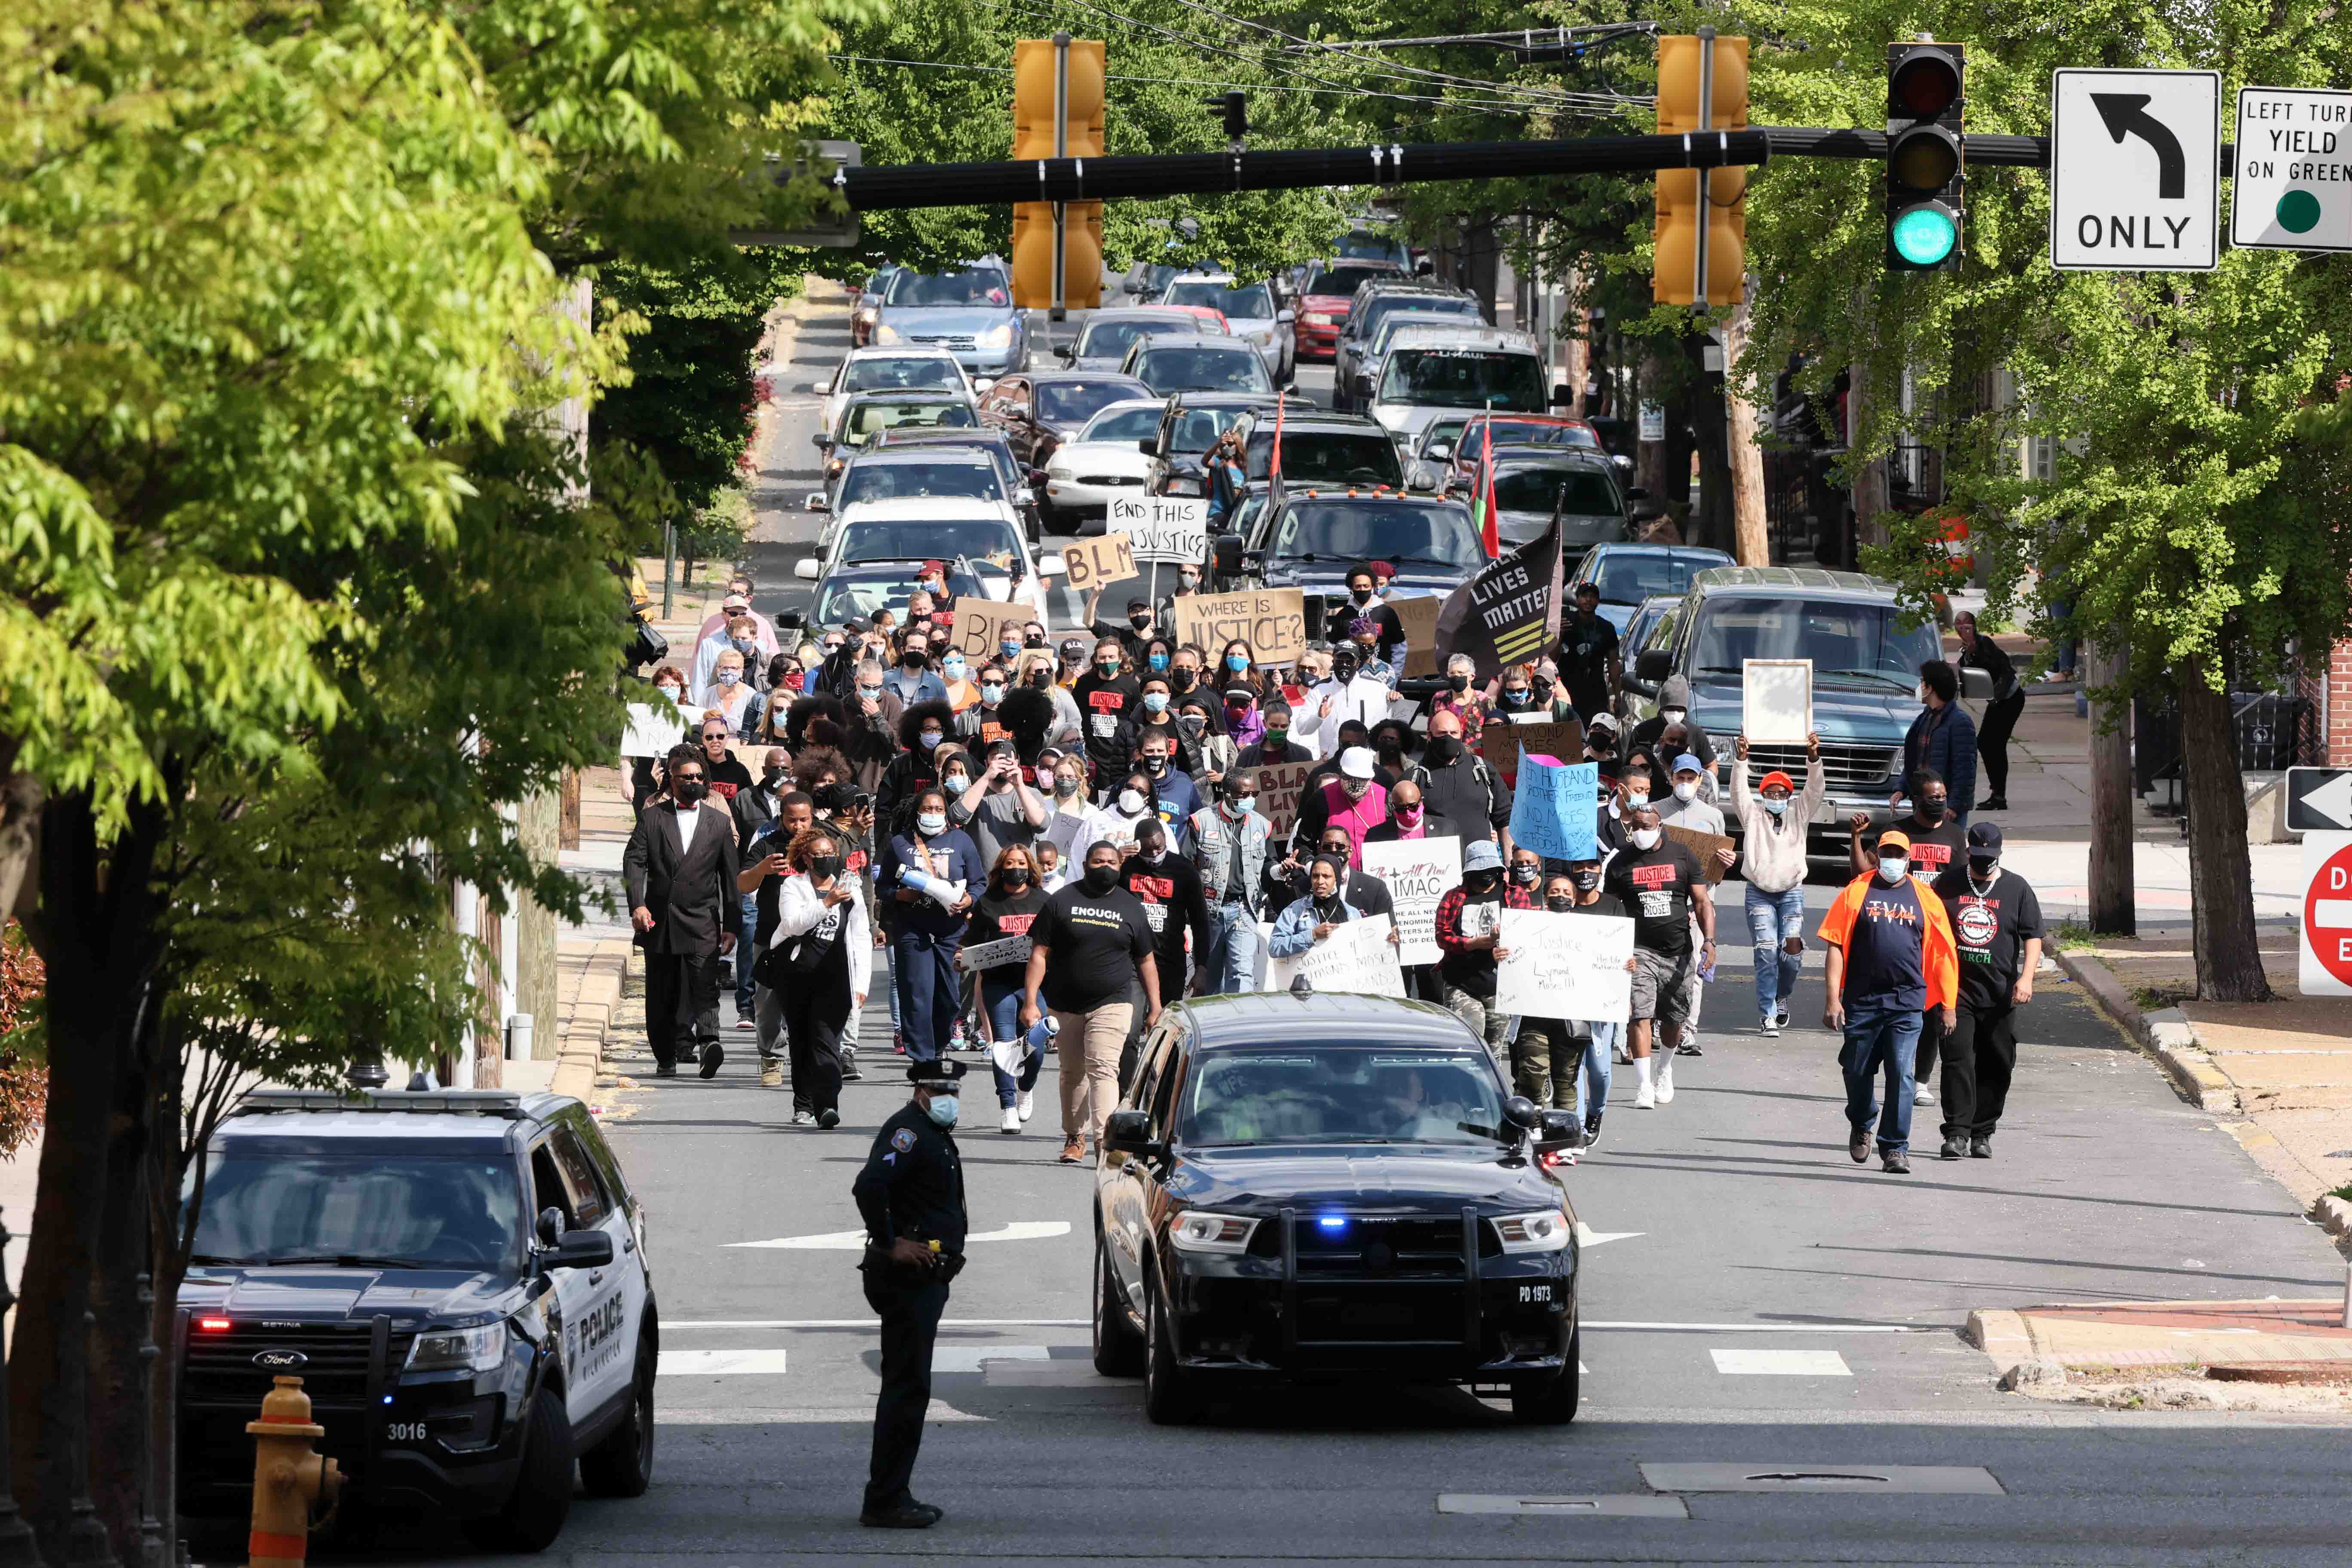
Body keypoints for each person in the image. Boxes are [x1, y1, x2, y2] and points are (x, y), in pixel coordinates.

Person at [852, 1058, 968, 1531]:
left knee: (909, 1384)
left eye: (954, 1090)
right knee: (906, 1386)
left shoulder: (930, 1131)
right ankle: (886, 1498)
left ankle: (891, 1492)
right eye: (940, 1089)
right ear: (921, 1092)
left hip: (927, 1277)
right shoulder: (910, 1131)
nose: (949, 1098)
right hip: (907, 1279)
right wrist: (889, 1242)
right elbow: (869, 1187)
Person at [1817, 827, 1958, 1175]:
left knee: (1902, 1072)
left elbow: (1943, 954)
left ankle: (1895, 1148)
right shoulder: (1857, 892)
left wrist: (1949, 1004)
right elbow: (1835, 944)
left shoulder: (1926, 898)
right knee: (1856, 1069)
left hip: (1908, 1000)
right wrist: (1833, 998)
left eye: (1899, 854)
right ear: (1877, 856)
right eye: (1887, 854)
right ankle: (1862, 1121)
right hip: (1862, 1000)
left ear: (1909, 859)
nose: (1893, 860)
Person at [1020, 842, 1161, 1164]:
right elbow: (1039, 954)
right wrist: (1031, 1002)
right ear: (1085, 864)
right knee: (1072, 1073)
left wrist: (1155, 1006)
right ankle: (1074, 1137)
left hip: (1112, 1002)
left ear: (1121, 865)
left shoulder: (1131, 907)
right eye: (1099, 861)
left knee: (1103, 1069)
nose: (1106, 867)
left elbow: (1146, 961)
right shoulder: (1062, 901)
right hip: (1065, 1004)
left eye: (1112, 861)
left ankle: (1105, 1143)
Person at [1848, 766, 1969, 1103]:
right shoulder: (1897, 832)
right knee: (1902, 1007)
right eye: (1933, 798)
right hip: (1900, 928)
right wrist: (1856, 838)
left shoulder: (1956, 835)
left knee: (1934, 1005)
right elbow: (1864, 873)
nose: (1940, 802)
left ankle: (1922, 1080)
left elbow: (1962, 881)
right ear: (1917, 800)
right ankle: (1890, 1071)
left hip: (1939, 931)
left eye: (1943, 797)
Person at [623, 744, 743, 1078]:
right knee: (662, 993)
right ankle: (666, 1056)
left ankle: (709, 1042)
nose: (693, 782)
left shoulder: (718, 823)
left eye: (699, 777)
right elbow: (634, 861)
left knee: (705, 984)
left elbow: (730, 877)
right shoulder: (652, 817)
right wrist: (638, 904)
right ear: (672, 781)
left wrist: (732, 924)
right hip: (659, 919)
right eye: (686, 777)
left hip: (703, 918)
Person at [1927, 822, 2043, 1160]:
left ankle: (1982, 1132)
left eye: (1988, 857)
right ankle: (1957, 1133)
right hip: (1955, 991)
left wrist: (2027, 978)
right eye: (1977, 856)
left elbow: (2032, 936)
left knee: (1998, 1063)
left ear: (2000, 854)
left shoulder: (2017, 888)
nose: (1982, 862)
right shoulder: (1947, 885)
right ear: (1968, 852)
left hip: (2000, 993)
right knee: (1957, 1060)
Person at [1604, 802, 1712, 1110]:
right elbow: (1612, 910)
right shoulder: (1620, 862)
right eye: (1635, 827)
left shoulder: (1683, 855)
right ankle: (1644, 1085)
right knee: (1640, 1016)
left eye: (1647, 827)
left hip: (1678, 952)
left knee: (1673, 1020)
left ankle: (1664, 1069)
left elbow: (1702, 902)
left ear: (1660, 826)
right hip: (1639, 951)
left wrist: (1710, 942)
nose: (1640, 833)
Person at [766, 826, 871, 1127]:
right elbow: (794, 925)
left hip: (836, 978)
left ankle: (828, 1105)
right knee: (801, 1041)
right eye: (818, 855)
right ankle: (804, 1106)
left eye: (830, 854)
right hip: (797, 976)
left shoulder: (849, 889)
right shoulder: (793, 888)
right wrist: (827, 902)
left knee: (827, 1042)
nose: (825, 859)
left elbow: (860, 936)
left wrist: (861, 983)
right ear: (806, 860)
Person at [1730, 733, 1826, 1037]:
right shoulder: (1753, 816)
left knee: (1792, 953)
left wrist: (1813, 759)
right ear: (1762, 796)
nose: (1776, 798)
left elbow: (1815, 790)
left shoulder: (1800, 813)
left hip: (1791, 893)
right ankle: (1768, 1014)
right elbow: (1737, 791)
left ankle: (1782, 994)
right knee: (1766, 951)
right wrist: (1741, 760)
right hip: (1758, 893)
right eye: (1770, 794)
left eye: (1781, 793)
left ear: (1789, 795)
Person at [879, 787, 983, 1063]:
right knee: (916, 993)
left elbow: (979, 882)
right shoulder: (900, 843)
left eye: (939, 809)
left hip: (952, 931)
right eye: (928, 809)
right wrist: (902, 895)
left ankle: (939, 1044)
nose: (933, 814)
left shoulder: (962, 841)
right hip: (912, 929)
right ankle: (922, 1057)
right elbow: (883, 888)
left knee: (949, 996)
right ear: (917, 813)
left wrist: (970, 900)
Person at [967, 845, 1051, 1134]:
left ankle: (1026, 1088)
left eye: (1022, 863)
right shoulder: (988, 902)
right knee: (1004, 1044)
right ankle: (1008, 1106)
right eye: (1011, 863)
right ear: (1001, 867)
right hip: (998, 983)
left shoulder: (1044, 901)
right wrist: (960, 957)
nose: (1017, 868)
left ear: (1030, 868)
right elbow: (970, 942)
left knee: (1035, 1047)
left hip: (1033, 984)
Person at [1434, 839, 1534, 1063]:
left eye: (1490, 870)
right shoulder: (1453, 897)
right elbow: (1442, 937)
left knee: (1493, 1051)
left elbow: (1527, 935)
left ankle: (1492, 1094)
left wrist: (1506, 943)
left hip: (1500, 988)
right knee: (1471, 1042)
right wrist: (1474, 944)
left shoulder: (1514, 895)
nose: (1486, 875)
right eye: (1480, 870)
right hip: (1462, 983)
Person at [1189, 770, 1274, 997]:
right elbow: (1187, 866)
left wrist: (1279, 871)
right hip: (1210, 911)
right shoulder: (1201, 821)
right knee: (1210, 980)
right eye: (1244, 794)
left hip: (1243, 909)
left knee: (1241, 973)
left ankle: (1242, 1027)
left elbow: (1269, 863)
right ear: (1227, 795)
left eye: (1253, 793)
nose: (1250, 799)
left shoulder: (1261, 825)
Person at [1121, 819, 1210, 1007]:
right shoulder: (1126, 868)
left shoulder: (1184, 870)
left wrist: (1201, 968)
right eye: (1147, 850)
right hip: (1132, 961)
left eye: (1159, 848)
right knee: (1132, 1028)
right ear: (1137, 845)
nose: (1154, 854)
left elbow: (1200, 921)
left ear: (1166, 841)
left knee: (1165, 1024)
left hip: (1170, 960)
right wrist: (1116, 862)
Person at [1409, 709, 1513, 849]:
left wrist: (1508, 866)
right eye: (1442, 733)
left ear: (1461, 735)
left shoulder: (1484, 770)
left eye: (1454, 733)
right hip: (1436, 865)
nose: (1449, 738)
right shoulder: (1415, 777)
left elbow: (1505, 819)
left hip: (1482, 865)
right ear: (1429, 736)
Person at [1268, 853, 1401, 961]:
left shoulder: (1352, 914)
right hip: (1307, 989)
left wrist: (1387, 941)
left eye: (1327, 876)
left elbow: (1365, 952)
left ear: (1336, 879)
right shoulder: (1295, 910)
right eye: (1315, 876)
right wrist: (1312, 935)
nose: (1320, 882)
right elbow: (1274, 946)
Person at [1955, 612, 2024, 812]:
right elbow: (1966, 672)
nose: (1962, 627)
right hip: (1997, 701)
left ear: (1974, 626)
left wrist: (1973, 650)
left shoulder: (1985, 644)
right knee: (1987, 743)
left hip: (2010, 699)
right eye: (1958, 624)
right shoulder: (1968, 650)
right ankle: (1997, 793)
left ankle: (1999, 796)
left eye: (1966, 623)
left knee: (1991, 743)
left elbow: (1995, 666)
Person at [1903, 659, 1977, 835]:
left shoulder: (1960, 722)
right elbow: (1914, 760)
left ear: (1931, 688)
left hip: (1946, 810)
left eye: (1923, 682)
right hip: (1922, 804)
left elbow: (1966, 770)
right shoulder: (1925, 717)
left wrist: (1954, 807)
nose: (1919, 686)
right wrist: (1901, 789)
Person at [949, 740, 1048, 867]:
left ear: (1017, 762)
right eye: (994, 757)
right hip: (984, 881)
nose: (1000, 761)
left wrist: (1019, 785)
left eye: (1005, 757)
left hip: (1021, 879)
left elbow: (1041, 825)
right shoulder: (975, 792)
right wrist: (987, 777)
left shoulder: (1031, 794)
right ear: (986, 763)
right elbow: (957, 816)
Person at [1293, 746, 1388, 867]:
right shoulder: (1321, 798)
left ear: (1371, 778)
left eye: (1362, 779)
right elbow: (1303, 843)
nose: (1355, 784)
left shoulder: (1385, 798)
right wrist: (1313, 867)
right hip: (1332, 880)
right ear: (1341, 772)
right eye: (1349, 777)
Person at [1295, 642, 1391, 760]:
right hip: (1331, 761)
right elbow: (1302, 729)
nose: (1344, 665)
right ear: (1333, 662)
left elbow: (1398, 717)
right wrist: (1319, 717)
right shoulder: (1319, 690)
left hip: (1366, 761)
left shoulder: (1377, 688)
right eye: (1339, 661)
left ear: (1358, 664)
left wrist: (1397, 698)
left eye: (1350, 662)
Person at [1072, 637, 1139, 798]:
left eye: (1111, 657)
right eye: (1102, 658)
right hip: (1092, 756)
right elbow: (1076, 715)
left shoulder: (1131, 686)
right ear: (1096, 659)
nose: (1107, 662)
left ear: (1120, 659)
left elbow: (1136, 722)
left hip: (1119, 758)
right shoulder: (1084, 683)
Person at [1556, 582, 1620, 721]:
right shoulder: (1565, 622)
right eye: (1585, 596)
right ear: (1577, 599)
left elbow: (1614, 663)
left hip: (1595, 692)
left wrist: (1618, 696)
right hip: (1567, 689)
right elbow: (1551, 658)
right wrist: (1559, 635)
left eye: (1593, 597)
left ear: (1598, 601)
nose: (1589, 600)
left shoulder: (1606, 628)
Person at [1323, 564, 1406, 665]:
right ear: (1351, 588)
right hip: (1351, 674)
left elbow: (1399, 648)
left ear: (1372, 587)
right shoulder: (1343, 615)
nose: (1362, 590)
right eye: (1358, 586)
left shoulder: (1387, 613)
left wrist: (1394, 675)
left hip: (1381, 675)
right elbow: (1333, 647)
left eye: (1366, 586)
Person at [1135, 732, 1200, 846]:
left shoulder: (1184, 783)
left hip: (1176, 859)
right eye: (1150, 751)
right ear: (1139, 754)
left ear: (1167, 755)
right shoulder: (1128, 784)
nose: (1155, 755)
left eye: (1160, 751)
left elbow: (1199, 821)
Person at [1237, 700, 1310, 769]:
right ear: (1265, 724)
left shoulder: (1303, 755)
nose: (1279, 730)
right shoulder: (1247, 755)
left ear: (1289, 725)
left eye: (1284, 726)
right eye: (1274, 726)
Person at [885, 631, 949, 709]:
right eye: (912, 648)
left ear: (926, 653)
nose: (916, 652)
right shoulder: (886, 680)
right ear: (903, 650)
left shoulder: (937, 685)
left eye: (920, 649)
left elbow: (945, 716)